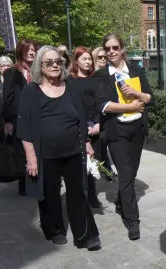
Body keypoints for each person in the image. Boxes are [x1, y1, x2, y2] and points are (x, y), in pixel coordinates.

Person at [16, 45, 101, 250]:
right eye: (49, 62)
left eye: (58, 62)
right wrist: (31, 158)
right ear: (39, 65)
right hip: (45, 154)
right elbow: (24, 127)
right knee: (49, 194)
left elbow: (81, 117)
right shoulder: (31, 91)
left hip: (73, 151)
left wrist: (87, 143)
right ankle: (55, 229)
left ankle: (85, 235)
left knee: (79, 192)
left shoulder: (71, 86)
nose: (55, 65)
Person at [95, 33, 154, 240]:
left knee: (132, 171)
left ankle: (121, 201)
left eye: (115, 48)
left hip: (137, 129)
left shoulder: (136, 70)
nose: (111, 52)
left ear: (122, 49)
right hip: (116, 131)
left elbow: (150, 98)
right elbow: (103, 105)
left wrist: (137, 95)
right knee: (126, 175)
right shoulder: (102, 75)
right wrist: (130, 106)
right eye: (108, 48)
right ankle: (132, 220)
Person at [67, 46, 114, 209]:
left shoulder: (97, 79)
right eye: (83, 59)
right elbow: (70, 105)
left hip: (96, 125)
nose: (87, 62)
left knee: (93, 163)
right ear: (76, 61)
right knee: (79, 164)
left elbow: (103, 102)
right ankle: (81, 195)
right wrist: (84, 125)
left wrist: (98, 122)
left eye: (89, 59)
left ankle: (92, 195)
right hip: (77, 126)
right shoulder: (69, 81)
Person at [3, 39, 38, 195]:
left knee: (37, 149)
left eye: (33, 50)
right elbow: (7, 98)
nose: (31, 52)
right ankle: (24, 184)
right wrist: (8, 120)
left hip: (38, 117)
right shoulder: (12, 72)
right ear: (21, 52)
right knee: (23, 151)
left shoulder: (39, 71)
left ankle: (36, 179)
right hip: (19, 118)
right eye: (28, 50)